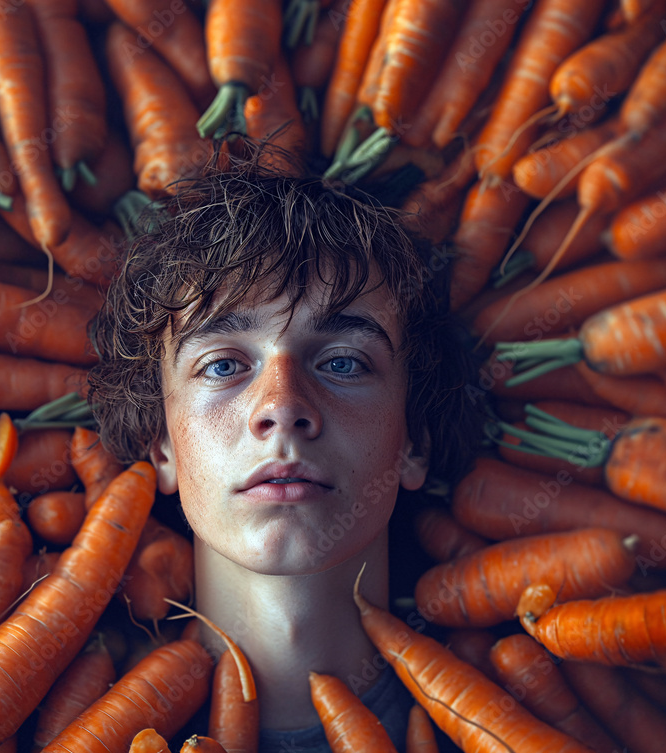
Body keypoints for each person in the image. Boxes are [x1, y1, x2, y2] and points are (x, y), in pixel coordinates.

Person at [88, 145, 483, 752]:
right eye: (223, 365)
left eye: (343, 362)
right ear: (160, 443)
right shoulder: (62, 729)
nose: (283, 407)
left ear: (414, 442)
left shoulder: (518, 726)